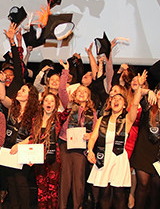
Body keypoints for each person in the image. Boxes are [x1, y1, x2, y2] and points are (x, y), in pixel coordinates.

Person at [86, 77, 155, 209]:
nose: (116, 101)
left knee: (119, 194)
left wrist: (143, 89)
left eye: (119, 99)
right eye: (114, 99)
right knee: (104, 194)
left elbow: (135, 103)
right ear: (110, 103)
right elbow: (93, 137)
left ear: (124, 105)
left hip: (119, 159)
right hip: (103, 158)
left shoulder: (127, 119)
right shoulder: (102, 119)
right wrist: (90, 151)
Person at [130, 81, 160, 209]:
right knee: (143, 184)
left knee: (156, 188)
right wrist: (148, 91)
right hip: (143, 151)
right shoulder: (149, 106)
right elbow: (138, 93)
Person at [58, 60, 97, 209]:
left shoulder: (91, 113)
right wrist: (65, 72)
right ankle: (62, 206)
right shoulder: (68, 106)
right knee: (65, 178)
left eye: (84, 92)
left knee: (79, 179)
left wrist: (90, 135)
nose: (81, 93)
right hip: (66, 144)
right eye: (79, 91)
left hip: (81, 148)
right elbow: (62, 90)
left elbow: (95, 130)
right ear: (74, 95)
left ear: (88, 97)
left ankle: (77, 206)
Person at [0, 74, 39, 209]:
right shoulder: (13, 108)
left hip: (24, 149)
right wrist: (2, 82)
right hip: (9, 149)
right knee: (10, 181)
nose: (19, 92)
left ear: (30, 96)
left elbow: (35, 134)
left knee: (21, 181)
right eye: (20, 90)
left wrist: (20, 145)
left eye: (23, 91)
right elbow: (2, 97)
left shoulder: (35, 112)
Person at [32, 93, 65, 208]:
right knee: (41, 189)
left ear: (56, 105)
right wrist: (29, 157)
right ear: (42, 103)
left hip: (54, 158)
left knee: (52, 189)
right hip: (38, 157)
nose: (49, 103)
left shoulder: (58, 117)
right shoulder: (35, 120)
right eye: (46, 100)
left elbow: (69, 108)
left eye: (52, 101)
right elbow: (32, 138)